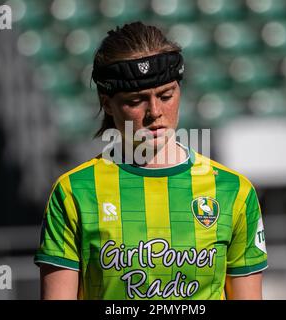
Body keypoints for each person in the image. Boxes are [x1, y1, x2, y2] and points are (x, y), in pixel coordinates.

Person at [34, 21, 267, 300]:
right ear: (107, 103)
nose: (154, 111)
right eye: (135, 101)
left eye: (166, 95)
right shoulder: (74, 192)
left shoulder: (234, 191)